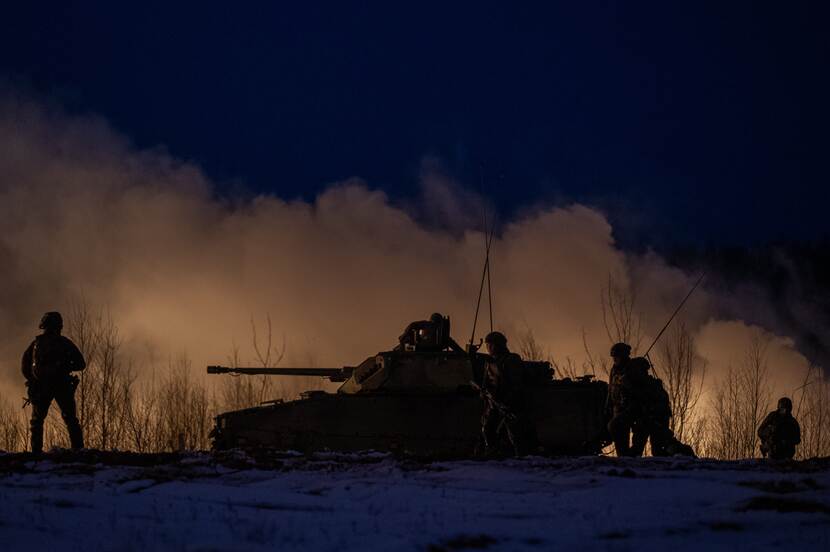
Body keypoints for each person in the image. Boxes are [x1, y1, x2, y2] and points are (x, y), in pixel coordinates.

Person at [21, 312, 86, 453]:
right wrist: (65, 366)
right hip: (62, 385)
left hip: (41, 387)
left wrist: (33, 381)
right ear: (59, 326)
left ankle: (36, 452)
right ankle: (79, 450)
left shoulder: (35, 344)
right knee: (70, 418)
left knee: (37, 421)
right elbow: (81, 364)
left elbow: (25, 366)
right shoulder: (64, 343)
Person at [478, 331, 534, 457]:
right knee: (487, 429)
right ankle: (492, 453)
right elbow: (486, 383)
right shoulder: (489, 362)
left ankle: (521, 456)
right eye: (487, 345)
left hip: (510, 403)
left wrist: (507, 401)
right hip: (494, 403)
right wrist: (485, 393)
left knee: (515, 433)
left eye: (491, 345)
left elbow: (516, 384)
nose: (489, 348)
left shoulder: (511, 360)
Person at [605, 342, 645, 457]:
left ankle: (631, 454)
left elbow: (641, 390)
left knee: (616, 425)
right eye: (613, 357)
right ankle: (623, 456)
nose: (614, 359)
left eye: (616, 357)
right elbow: (611, 387)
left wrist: (628, 383)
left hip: (631, 407)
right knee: (619, 435)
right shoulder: (614, 370)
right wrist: (608, 404)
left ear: (623, 356)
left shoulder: (633, 369)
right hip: (617, 407)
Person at [395, 312, 464, 353]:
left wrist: (404, 335)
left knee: (403, 346)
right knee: (404, 345)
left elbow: (412, 325)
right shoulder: (444, 336)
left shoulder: (426, 324)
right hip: (420, 349)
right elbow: (456, 348)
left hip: (420, 349)